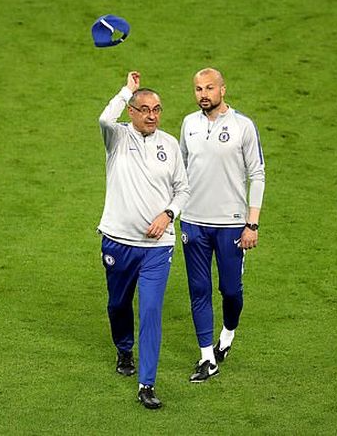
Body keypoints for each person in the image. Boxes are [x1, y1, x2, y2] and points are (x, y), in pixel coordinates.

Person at [97, 71, 190, 408]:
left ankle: (146, 384)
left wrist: (168, 214)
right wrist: (127, 90)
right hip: (118, 241)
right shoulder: (117, 138)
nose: (153, 115)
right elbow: (104, 117)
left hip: (158, 246)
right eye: (146, 109)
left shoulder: (170, 144)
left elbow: (183, 188)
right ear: (132, 113)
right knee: (118, 305)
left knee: (150, 311)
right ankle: (124, 349)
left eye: (157, 109)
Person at [179, 68, 265, 382]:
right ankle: (206, 357)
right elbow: (181, 170)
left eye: (209, 88)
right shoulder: (188, 124)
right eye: (198, 89)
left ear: (223, 90)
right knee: (198, 290)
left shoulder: (243, 126)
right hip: (193, 222)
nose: (203, 94)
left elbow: (257, 174)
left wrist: (251, 224)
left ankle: (227, 335)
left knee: (230, 290)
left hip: (230, 224)